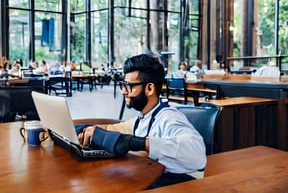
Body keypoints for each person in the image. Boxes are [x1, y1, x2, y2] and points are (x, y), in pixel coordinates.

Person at [77, 54, 206, 188]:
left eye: (128, 86)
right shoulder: (142, 118)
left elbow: (198, 156)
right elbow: (117, 128)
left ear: (149, 89)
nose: (123, 91)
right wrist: (86, 129)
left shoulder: (169, 117)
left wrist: (135, 143)